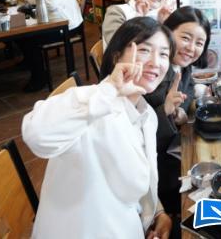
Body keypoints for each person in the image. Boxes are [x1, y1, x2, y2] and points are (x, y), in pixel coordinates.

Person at [22, 17, 175, 238]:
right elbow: (37, 134)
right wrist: (109, 89)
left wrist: (158, 213)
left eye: (163, 54)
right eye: (144, 50)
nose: (155, 62)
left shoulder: (146, 114)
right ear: (116, 57)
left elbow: (138, 180)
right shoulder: (92, 107)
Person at [144, 7, 211, 231]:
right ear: (167, 33)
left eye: (199, 43)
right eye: (185, 38)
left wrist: (179, 111)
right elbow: (141, 138)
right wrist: (165, 111)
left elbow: (187, 90)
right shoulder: (153, 75)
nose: (191, 48)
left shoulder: (182, 67)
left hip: (172, 150)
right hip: (155, 171)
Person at [20, 0, 83, 91]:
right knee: (23, 38)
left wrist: (33, 9)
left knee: (29, 39)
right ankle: (36, 70)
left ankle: (39, 78)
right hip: (49, 20)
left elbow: (52, 5)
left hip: (66, 24)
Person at [102, 0, 170, 48]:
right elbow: (116, 44)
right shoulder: (117, 11)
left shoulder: (161, 15)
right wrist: (139, 17)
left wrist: (162, 24)